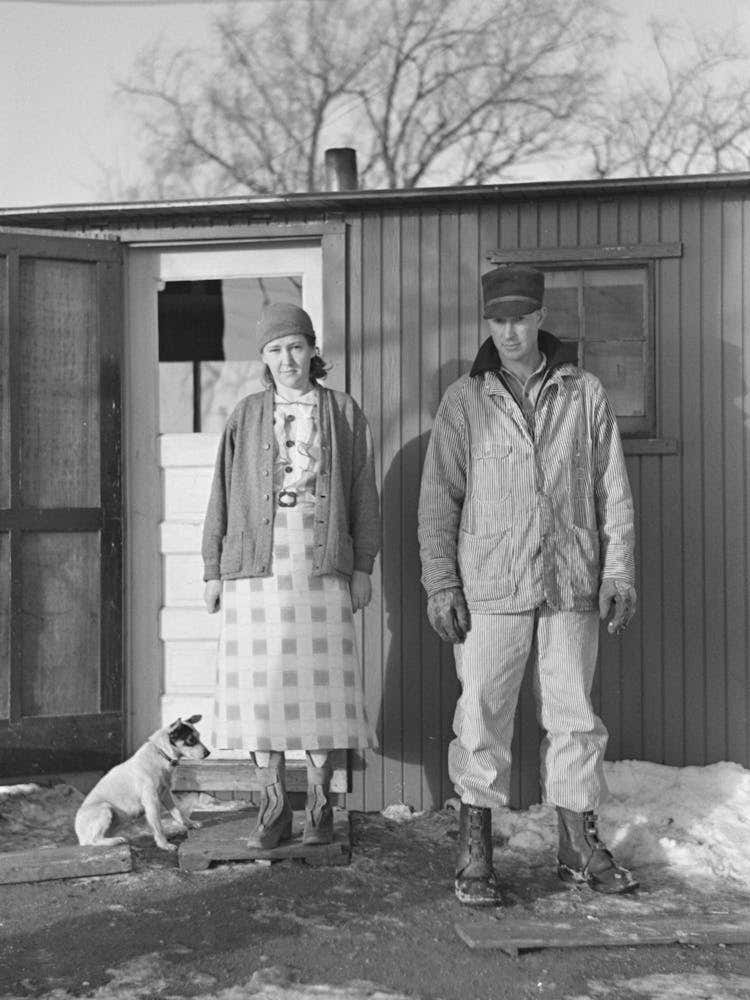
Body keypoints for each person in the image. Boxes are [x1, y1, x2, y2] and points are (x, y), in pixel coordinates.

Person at [418, 265, 637, 906]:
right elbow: (439, 501)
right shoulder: (465, 400)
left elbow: (611, 490)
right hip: (491, 586)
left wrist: (618, 571)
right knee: (481, 717)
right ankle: (476, 851)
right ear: (487, 323)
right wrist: (441, 584)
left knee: (574, 717)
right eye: (497, 320)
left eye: (520, 318)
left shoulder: (585, 393)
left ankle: (575, 845)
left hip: (570, 580)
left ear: (539, 317)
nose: (509, 331)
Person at [202, 301, 380, 849]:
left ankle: (321, 811)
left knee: (321, 688)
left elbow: (362, 495)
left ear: (312, 351)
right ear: (263, 357)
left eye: (296, 347)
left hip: (321, 561)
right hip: (255, 564)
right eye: (276, 350)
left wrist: (362, 566)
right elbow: (222, 494)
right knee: (262, 689)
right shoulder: (246, 414)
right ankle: (273, 811)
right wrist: (213, 569)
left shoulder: (343, 412)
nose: (287, 359)